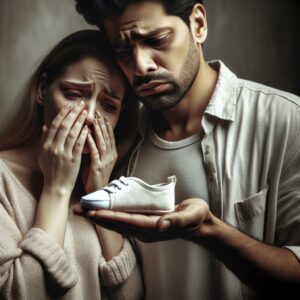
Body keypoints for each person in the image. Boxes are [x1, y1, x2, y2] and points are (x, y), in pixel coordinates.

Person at [74, 1, 300, 299]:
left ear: (198, 24)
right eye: (123, 51)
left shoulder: (285, 121)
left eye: (156, 40)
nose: (141, 66)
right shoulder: (118, 142)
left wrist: (208, 231)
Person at [0, 29, 144, 300]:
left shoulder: (112, 185)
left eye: (108, 105)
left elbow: (131, 295)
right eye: (74, 94)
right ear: (43, 89)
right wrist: (56, 189)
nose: (90, 116)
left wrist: (100, 194)